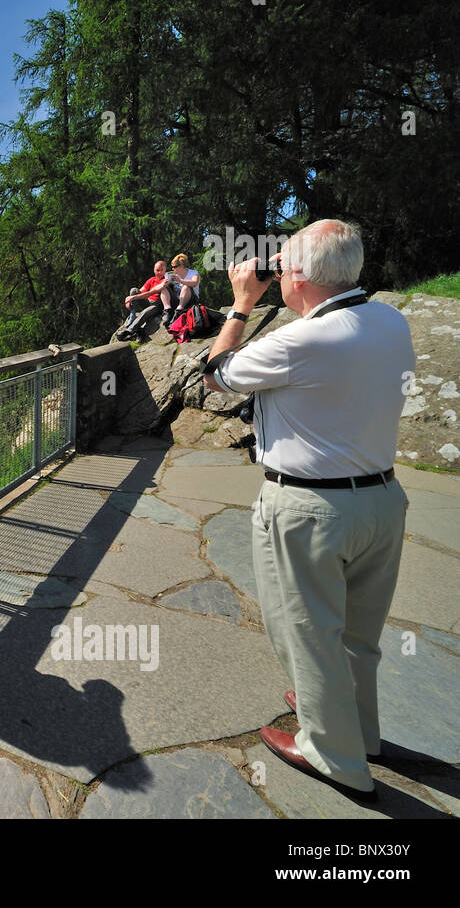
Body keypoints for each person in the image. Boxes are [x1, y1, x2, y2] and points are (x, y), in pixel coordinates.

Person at [204, 218, 414, 803]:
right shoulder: (388, 321)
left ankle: (333, 755)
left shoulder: (300, 342)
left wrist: (241, 305)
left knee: (307, 631)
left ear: (296, 275)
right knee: (357, 636)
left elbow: (217, 376)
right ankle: (360, 732)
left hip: (310, 507)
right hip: (382, 500)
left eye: (281, 265)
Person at [121, 260, 172, 336]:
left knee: (144, 312)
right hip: (148, 301)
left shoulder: (166, 280)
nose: (159, 272)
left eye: (162, 270)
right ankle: (132, 314)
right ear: (154, 270)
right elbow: (141, 291)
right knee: (133, 290)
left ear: (165, 270)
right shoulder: (152, 279)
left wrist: (133, 298)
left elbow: (150, 292)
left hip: (157, 305)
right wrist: (129, 299)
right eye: (157, 270)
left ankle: (130, 330)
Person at [163, 252, 202, 328]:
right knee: (164, 288)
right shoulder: (172, 275)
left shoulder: (193, 273)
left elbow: (194, 282)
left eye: (174, 267)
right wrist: (166, 283)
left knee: (186, 286)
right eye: (172, 267)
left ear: (181, 266)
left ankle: (179, 311)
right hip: (177, 299)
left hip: (191, 300)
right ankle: (167, 310)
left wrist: (181, 281)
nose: (172, 269)